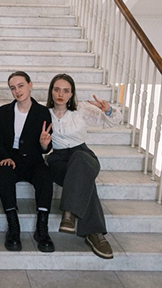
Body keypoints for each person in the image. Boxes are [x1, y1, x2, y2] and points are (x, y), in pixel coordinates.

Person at [45, 73, 121, 259]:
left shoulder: (82, 110)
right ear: (51, 91)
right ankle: (94, 233)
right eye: (57, 89)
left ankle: (69, 213)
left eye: (66, 91)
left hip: (84, 154)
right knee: (85, 179)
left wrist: (108, 110)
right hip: (58, 159)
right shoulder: (43, 113)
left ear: (72, 94)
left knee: (80, 159)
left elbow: (112, 121)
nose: (61, 94)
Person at [0, 71, 55, 253]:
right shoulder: (4, 111)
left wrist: (44, 144)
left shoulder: (42, 112)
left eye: (20, 86)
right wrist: (5, 157)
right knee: (3, 173)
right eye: (13, 88)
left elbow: (46, 148)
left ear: (30, 85)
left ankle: (42, 228)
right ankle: (13, 227)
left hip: (34, 159)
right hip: (12, 158)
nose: (17, 91)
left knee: (45, 175)